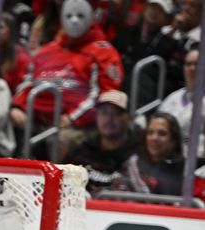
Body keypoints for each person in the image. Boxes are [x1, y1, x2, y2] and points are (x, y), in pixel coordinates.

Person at [10, 0, 124, 159]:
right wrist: (17, 106)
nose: (74, 21)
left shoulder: (103, 52)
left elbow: (105, 96)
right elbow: (27, 81)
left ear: (91, 18)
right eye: (69, 16)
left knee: (59, 140)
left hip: (76, 125)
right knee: (6, 122)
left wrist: (72, 118)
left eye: (80, 15)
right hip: (37, 117)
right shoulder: (47, 51)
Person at [62, 90, 140, 196]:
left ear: (128, 118)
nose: (109, 119)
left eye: (115, 113)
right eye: (104, 113)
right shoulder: (82, 151)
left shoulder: (138, 154)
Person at [113, 0, 184, 111]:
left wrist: (172, 30)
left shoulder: (168, 44)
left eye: (161, 11)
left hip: (142, 100)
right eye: (153, 7)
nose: (155, 12)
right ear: (145, 8)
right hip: (117, 93)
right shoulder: (126, 34)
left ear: (167, 19)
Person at [120, 112, 185, 196]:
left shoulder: (185, 171)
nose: (154, 138)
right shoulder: (133, 165)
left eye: (162, 133)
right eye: (150, 132)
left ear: (174, 140)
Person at [159, 48, 205, 158]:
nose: (192, 68)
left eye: (197, 64)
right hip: (168, 160)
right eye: (188, 64)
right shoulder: (171, 99)